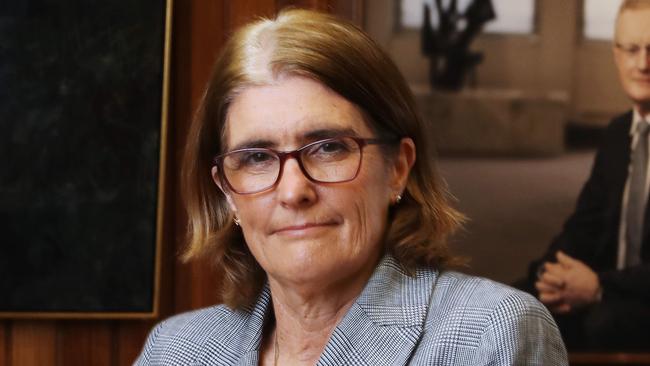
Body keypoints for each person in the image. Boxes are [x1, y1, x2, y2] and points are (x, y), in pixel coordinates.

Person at [135, 9, 567, 365]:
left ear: (398, 168)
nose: (292, 192)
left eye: (327, 148)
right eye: (257, 158)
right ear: (227, 191)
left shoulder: (493, 335)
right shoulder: (175, 350)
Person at [520, 0, 650, 351]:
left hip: (636, 293)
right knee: (521, 302)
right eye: (631, 49)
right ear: (616, 55)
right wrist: (547, 276)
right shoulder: (618, 134)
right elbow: (584, 225)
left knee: (601, 325)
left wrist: (599, 287)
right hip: (612, 284)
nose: (643, 63)